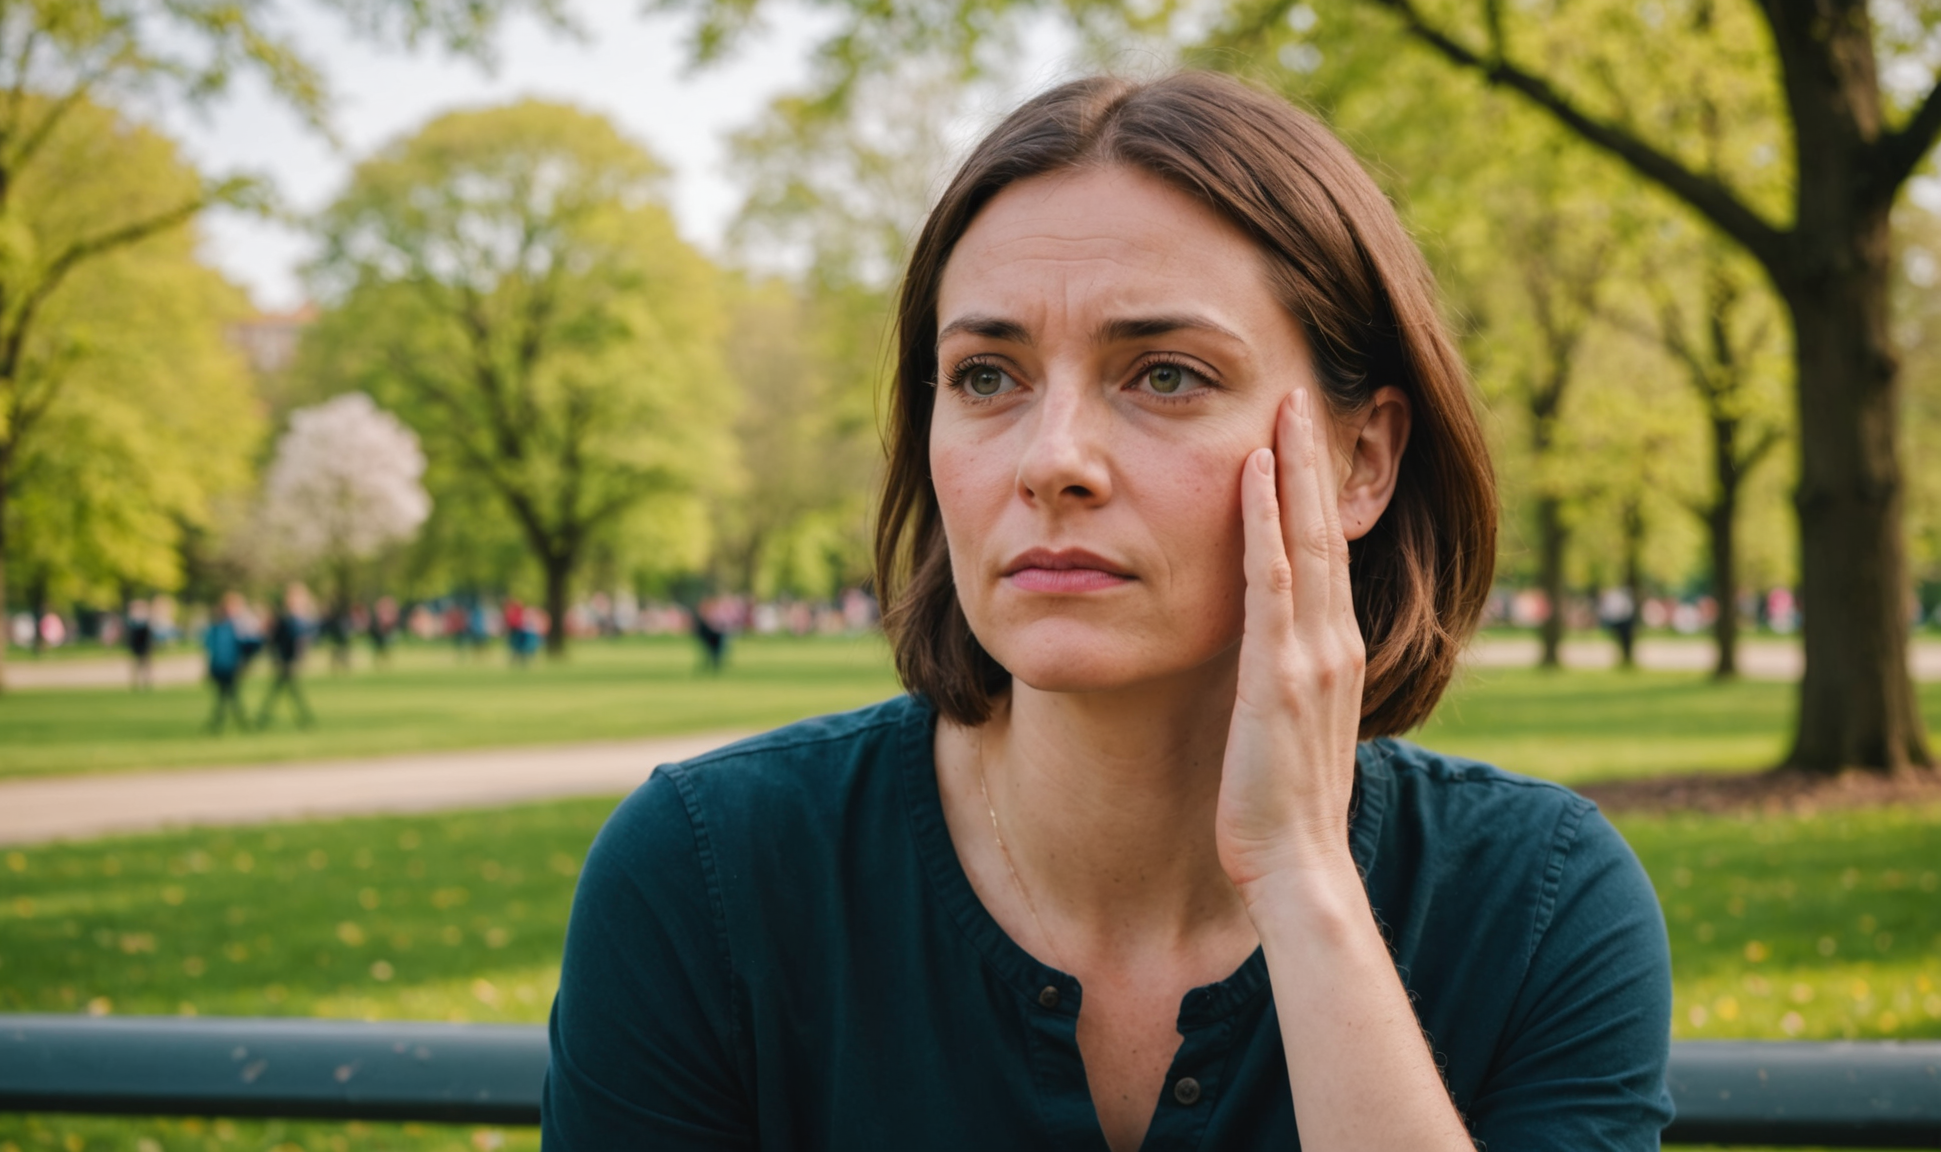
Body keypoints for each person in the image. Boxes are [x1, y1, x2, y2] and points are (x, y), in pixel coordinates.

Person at [543, 73, 1672, 1150]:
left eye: (1166, 374)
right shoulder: (708, 874)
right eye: (988, 375)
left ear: (1362, 459)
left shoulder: (1539, 903)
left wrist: (1303, 881)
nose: (1053, 461)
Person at [258, 583, 316, 729]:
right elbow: (275, 640)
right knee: (288, 692)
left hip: (288, 661)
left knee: (284, 692)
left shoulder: (298, 620)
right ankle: (304, 719)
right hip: (285, 661)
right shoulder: (285, 620)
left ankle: (264, 719)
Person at [201, 592, 258, 733]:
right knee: (227, 697)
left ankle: (221, 724)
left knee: (228, 696)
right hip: (220, 666)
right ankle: (237, 723)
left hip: (232, 666)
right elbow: (211, 648)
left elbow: (249, 645)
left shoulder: (239, 626)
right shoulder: (217, 626)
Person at [125, 600, 155, 691]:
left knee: (146, 664)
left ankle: (146, 683)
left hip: (144, 645)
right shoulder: (133, 621)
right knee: (136, 665)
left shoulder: (145, 620)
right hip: (136, 645)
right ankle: (136, 683)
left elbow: (149, 635)